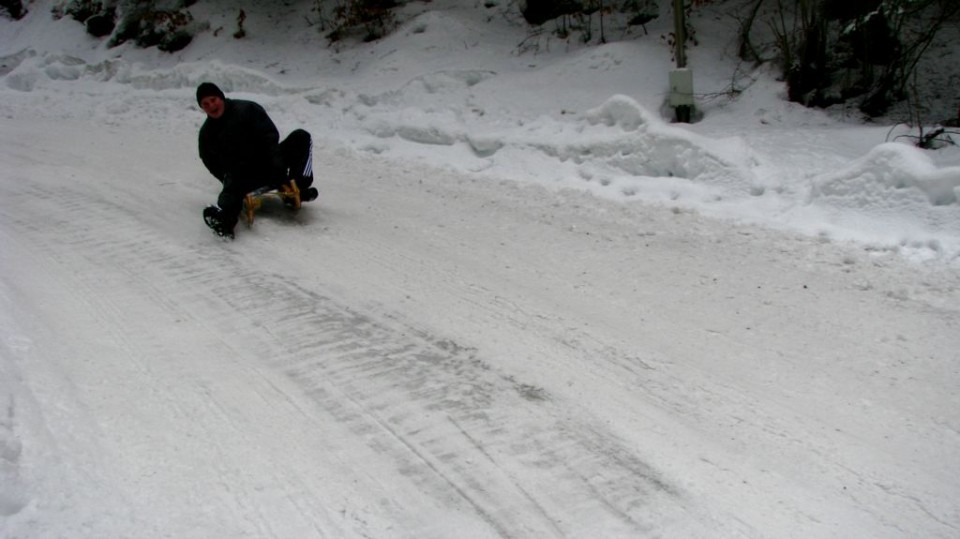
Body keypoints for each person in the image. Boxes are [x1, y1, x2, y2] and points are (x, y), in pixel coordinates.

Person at [196, 82, 318, 238]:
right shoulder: (207, 134)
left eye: (213, 100)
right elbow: (209, 161)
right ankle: (225, 220)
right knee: (233, 182)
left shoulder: (247, 110)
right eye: (205, 104)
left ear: (221, 97)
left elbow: (269, 133)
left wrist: (272, 158)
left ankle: (297, 186)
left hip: (271, 162)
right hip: (245, 175)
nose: (211, 106)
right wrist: (226, 176)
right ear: (202, 108)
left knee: (301, 137)